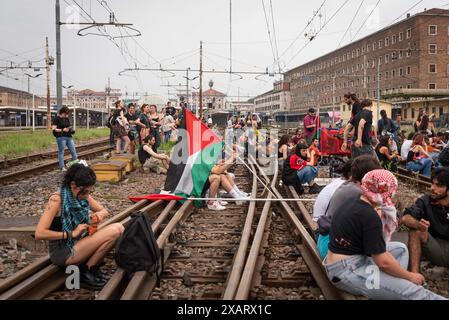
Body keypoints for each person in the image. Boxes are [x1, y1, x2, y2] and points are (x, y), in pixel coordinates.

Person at [323, 169, 446, 300]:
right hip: (348, 271)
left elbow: (376, 247)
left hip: (346, 260)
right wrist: (409, 276)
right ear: (385, 192)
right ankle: (399, 289)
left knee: (400, 249)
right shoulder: (370, 216)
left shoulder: (353, 202)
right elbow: (383, 262)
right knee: (415, 292)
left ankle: (392, 289)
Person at [35, 162, 124, 290]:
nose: (87, 195)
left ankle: (89, 269)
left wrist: (96, 217)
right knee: (117, 230)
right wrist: (71, 233)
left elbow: (104, 211)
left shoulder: (81, 194)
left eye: (89, 191)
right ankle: (85, 273)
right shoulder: (57, 200)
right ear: (73, 185)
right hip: (63, 251)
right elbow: (39, 233)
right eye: (86, 191)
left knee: (118, 230)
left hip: (79, 242)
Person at [316, 155, 381, 259]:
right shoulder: (358, 193)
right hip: (332, 247)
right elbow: (373, 224)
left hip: (326, 240)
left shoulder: (349, 185)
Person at [402, 167, 449, 273]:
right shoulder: (426, 200)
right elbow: (405, 218)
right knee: (416, 231)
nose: (432, 188)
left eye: (439, 185)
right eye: (432, 183)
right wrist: (420, 226)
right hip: (435, 247)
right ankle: (415, 276)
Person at [52, 106, 78, 171]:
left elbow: (69, 126)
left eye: (67, 114)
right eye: (65, 114)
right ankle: (62, 167)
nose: (66, 115)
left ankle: (75, 165)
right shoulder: (56, 118)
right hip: (61, 137)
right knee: (61, 152)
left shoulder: (66, 118)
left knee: (73, 151)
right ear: (62, 112)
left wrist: (70, 129)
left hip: (69, 137)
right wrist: (62, 130)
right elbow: (54, 129)